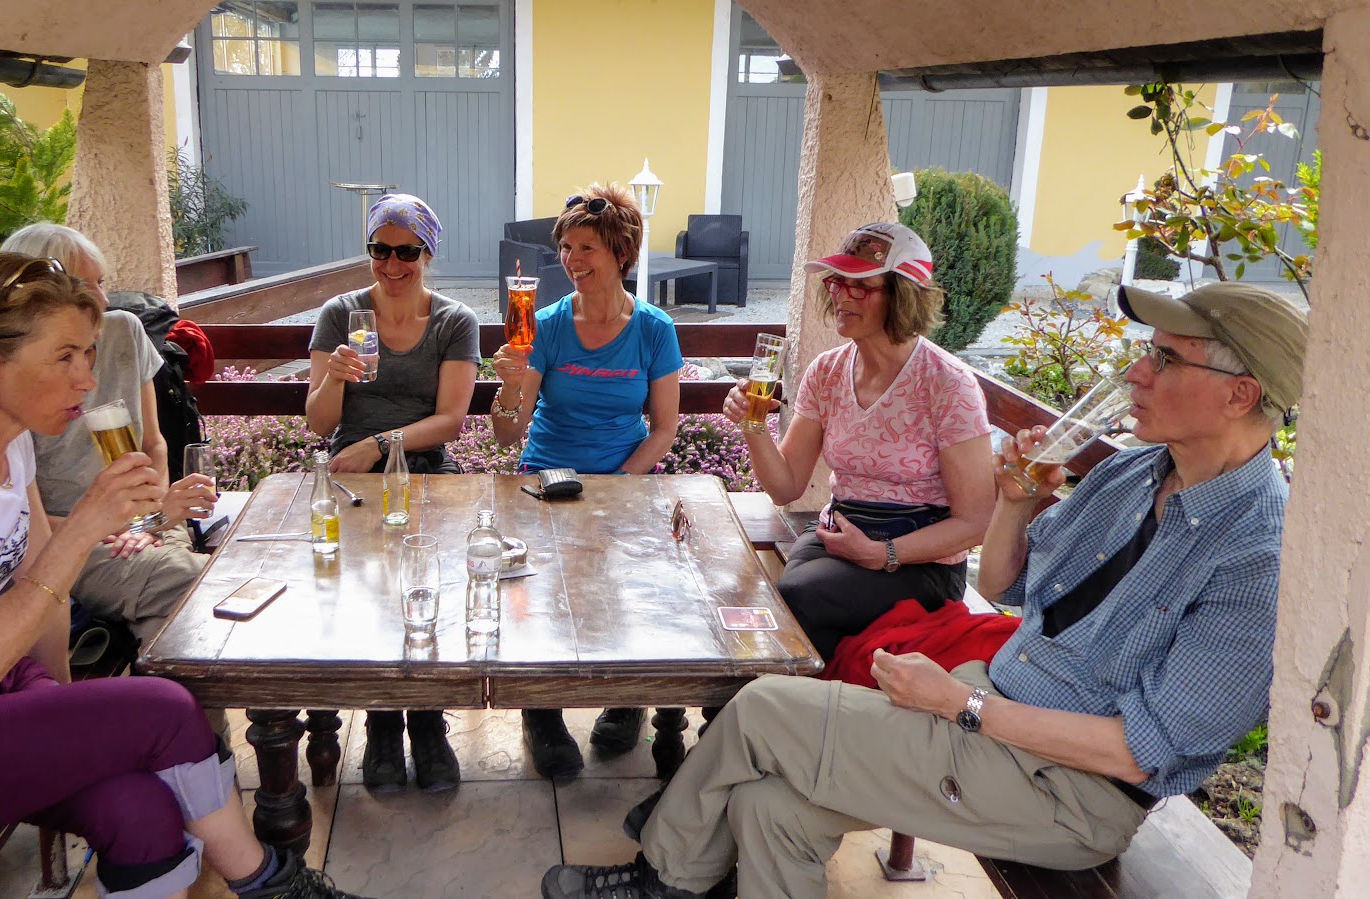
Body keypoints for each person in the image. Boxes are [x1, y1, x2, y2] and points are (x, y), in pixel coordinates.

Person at [540, 280, 1305, 899]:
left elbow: (1143, 753)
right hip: (998, 703)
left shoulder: (1257, 558)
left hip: (1068, 787)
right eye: (1146, 352)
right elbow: (1004, 583)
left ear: (1239, 394)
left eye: (1165, 359)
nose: (1137, 373)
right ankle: (681, 860)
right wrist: (1014, 503)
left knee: (766, 706)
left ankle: (663, 878)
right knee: (767, 806)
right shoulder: (1137, 472)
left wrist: (961, 703)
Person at [0, 252, 368, 899]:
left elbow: (46, 596)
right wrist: (86, 523)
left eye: (89, 355)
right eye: (65, 356)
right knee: (165, 708)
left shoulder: (10, 444)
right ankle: (273, 885)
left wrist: (66, 716)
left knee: (139, 811)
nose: (87, 379)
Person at [722, 222, 995, 662]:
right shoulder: (827, 370)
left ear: (903, 297)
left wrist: (883, 553)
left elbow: (977, 520)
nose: (840, 296)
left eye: (861, 287)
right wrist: (752, 424)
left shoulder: (947, 384)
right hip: (841, 533)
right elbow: (785, 487)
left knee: (796, 600)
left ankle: (773, 704)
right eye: (836, 282)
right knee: (773, 601)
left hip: (921, 562)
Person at [490, 184, 683, 779]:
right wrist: (507, 385)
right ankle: (541, 711)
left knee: (629, 590)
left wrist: (617, 485)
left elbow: (664, 429)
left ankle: (627, 699)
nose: (572, 259)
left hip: (624, 482)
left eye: (586, 248)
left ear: (621, 253)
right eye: (566, 247)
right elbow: (508, 434)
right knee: (540, 595)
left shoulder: (653, 329)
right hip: (546, 479)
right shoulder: (545, 325)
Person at [307, 193, 480, 793]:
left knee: (425, 581)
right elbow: (319, 423)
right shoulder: (341, 315)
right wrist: (334, 377)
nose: (392, 264)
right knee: (366, 591)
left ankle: (427, 719)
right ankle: (382, 721)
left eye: (408, 252)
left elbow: (451, 419)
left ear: (428, 254)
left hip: (424, 467)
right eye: (380, 249)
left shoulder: (454, 321)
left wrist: (380, 444)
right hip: (352, 475)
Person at [0, 224, 214, 654]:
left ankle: (171, 693)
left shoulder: (124, 331)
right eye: (83, 287)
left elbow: (153, 444)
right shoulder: (21, 381)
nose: (100, 300)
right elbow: (26, 524)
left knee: (182, 609)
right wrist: (130, 525)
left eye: (101, 283)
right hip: (74, 543)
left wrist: (151, 519)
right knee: (205, 583)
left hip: (150, 520)